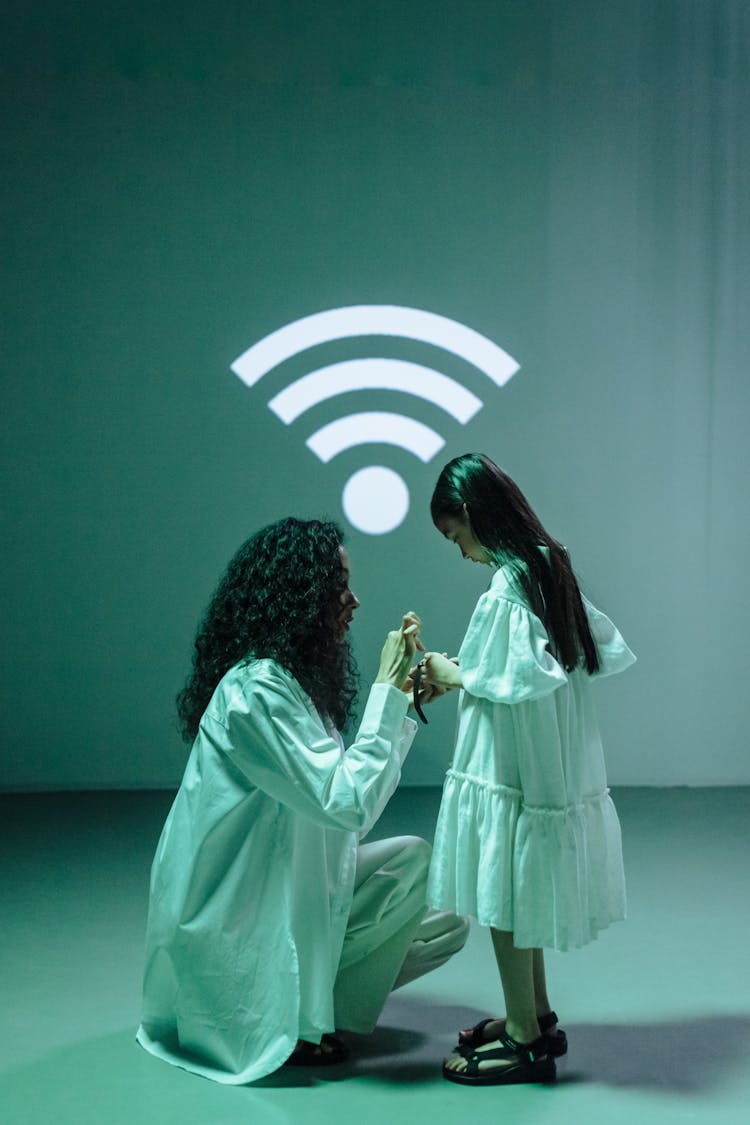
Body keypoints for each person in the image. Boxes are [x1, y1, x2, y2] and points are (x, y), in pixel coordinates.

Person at [136, 517, 468, 1085]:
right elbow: (346, 805)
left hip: (282, 885)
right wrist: (388, 691)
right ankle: (294, 1022)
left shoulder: (289, 683)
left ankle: (312, 1011)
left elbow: (341, 820)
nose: (354, 600)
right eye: (339, 584)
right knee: (404, 893)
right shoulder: (256, 689)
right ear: (299, 596)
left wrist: (405, 705)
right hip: (235, 919)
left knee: (434, 899)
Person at [417, 454, 635, 1087]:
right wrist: (468, 671)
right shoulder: (547, 562)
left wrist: (446, 672)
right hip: (547, 758)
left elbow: (503, 678)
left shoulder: (507, 584)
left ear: (474, 515)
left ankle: (522, 1037)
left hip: (513, 763)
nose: (459, 551)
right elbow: (540, 667)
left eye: (455, 534)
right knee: (519, 881)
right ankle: (531, 1013)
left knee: (505, 889)